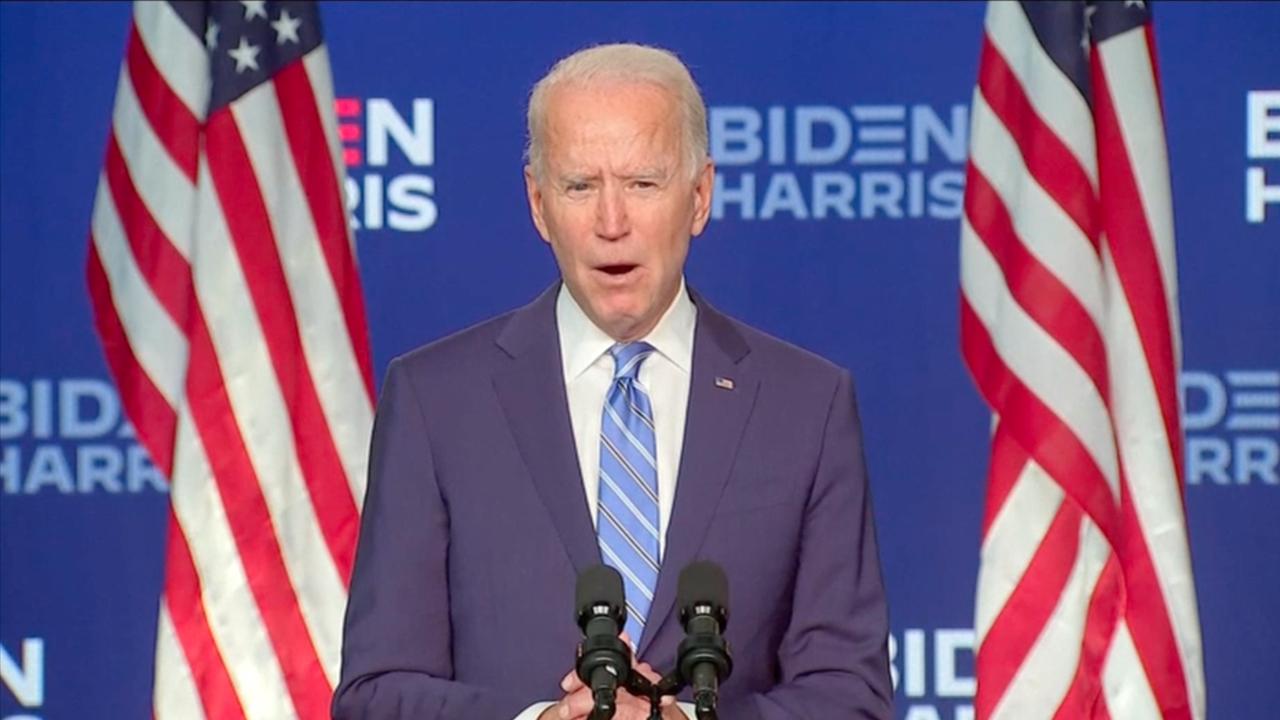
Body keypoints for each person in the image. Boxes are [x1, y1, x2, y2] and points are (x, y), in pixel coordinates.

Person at [332, 43, 893, 720]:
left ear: (699, 195)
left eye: (642, 184)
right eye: (580, 186)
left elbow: (848, 695)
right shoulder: (436, 401)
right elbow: (376, 695)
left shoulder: (805, 405)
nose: (611, 223)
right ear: (539, 205)